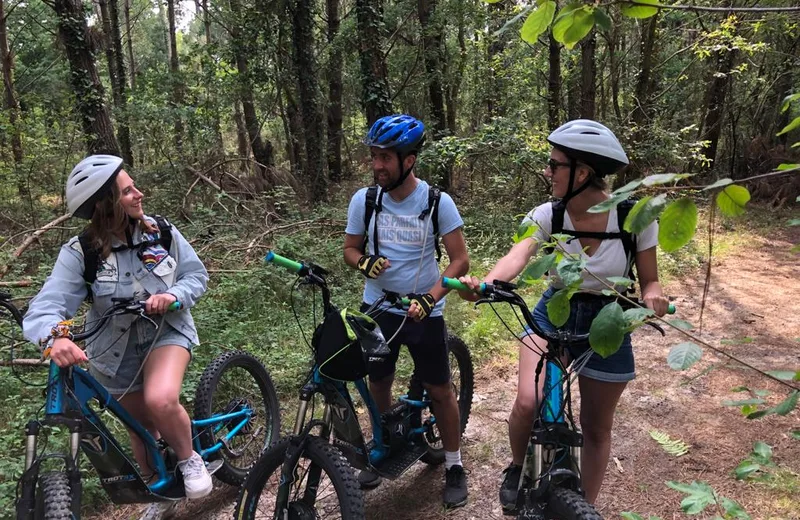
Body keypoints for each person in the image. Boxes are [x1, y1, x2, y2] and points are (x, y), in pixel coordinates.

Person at [456, 120, 670, 510]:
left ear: (582, 173)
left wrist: (653, 296)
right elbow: (518, 254)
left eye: (554, 165)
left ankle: (582, 505)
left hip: (609, 319)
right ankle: (518, 465)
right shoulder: (548, 215)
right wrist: (487, 284)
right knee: (528, 401)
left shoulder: (634, 217)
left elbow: (650, 280)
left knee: (596, 426)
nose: (547, 171)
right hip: (555, 310)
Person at [23, 155, 212, 520]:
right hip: (113, 346)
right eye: (128, 191)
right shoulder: (82, 253)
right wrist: (54, 337)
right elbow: (48, 304)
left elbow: (195, 276)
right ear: (105, 205)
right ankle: (160, 492)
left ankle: (190, 459)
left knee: (160, 399)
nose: (139, 194)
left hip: (165, 331)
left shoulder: (163, 232)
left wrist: (173, 296)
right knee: (140, 428)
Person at [343, 114, 471, 508]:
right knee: (377, 382)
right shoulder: (365, 200)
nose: (378, 165)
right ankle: (387, 443)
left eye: (386, 157)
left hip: (423, 309)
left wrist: (431, 297)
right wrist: (364, 263)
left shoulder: (436, 202)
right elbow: (350, 250)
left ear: (409, 160)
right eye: (374, 156)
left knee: (439, 389)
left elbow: (460, 260)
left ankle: (453, 463)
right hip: (378, 305)